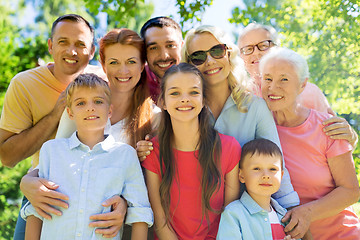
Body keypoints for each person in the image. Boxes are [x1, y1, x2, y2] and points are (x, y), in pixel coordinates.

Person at [20, 28, 157, 239]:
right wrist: (26, 183)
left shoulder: (153, 117)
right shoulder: (83, 101)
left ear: (142, 65)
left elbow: (141, 193)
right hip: (56, 211)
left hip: (108, 227)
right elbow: (52, 164)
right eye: (113, 62)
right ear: (103, 64)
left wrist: (123, 206)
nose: (123, 70)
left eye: (131, 61)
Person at [3, 14, 122, 240]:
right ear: (50, 45)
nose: (72, 51)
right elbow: (7, 157)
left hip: (99, 194)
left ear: (92, 51)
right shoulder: (25, 83)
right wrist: (58, 111)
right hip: (43, 191)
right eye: (63, 42)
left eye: (80, 44)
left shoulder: (106, 82)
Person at [181, 25, 299, 210]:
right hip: (196, 217)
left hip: (248, 219)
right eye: (198, 57)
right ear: (189, 64)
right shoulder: (184, 111)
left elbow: (276, 163)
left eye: (217, 51)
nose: (210, 61)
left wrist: (293, 216)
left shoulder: (256, 108)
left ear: (228, 53)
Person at [259, 47, 360, 239]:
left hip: (342, 234)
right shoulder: (260, 130)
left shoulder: (327, 127)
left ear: (302, 85)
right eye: (268, 79)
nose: (273, 87)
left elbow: (351, 191)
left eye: (284, 79)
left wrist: (306, 213)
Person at [141, 63, 241, 239]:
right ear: (162, 102)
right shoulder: (153, 152)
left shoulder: (229, 148)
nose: (185, 99)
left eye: (193, 92)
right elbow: (160, 221)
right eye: (175, 93)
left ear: (203, 100)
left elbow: (230, 217)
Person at [237, 22, 358, 147]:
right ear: (241, 57)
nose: (256, 53)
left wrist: (352, 137)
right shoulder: (241, 98)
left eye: (263, 45)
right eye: (248, 49)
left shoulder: (310, 92)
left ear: (277, 48)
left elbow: (337, 139)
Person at [217, 139, 295, 240]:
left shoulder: (286, 217)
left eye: (272, 169)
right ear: (241, 175)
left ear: (281, 175)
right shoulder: (233, 214)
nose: (266, 176)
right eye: (257, 169)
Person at [140, 16, 183, 102]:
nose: (164, 56)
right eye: (154, 48)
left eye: (170, 45)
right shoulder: (136, 80)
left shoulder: (198, 77)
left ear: (181, 46)